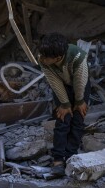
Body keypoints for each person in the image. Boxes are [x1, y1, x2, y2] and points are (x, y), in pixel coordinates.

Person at [38, 33, 91, 177]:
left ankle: (71, 155)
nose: (41, 59)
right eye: (41, 55)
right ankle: (58, 160)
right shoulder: (44, 59)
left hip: (81, 84)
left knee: (78, 119)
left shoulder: (78, 56)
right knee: (63, 119)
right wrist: (65, 104)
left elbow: (79, 83)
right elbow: (55, 82)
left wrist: (79, 102)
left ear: (58, 58)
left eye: (44, 57)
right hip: (62, 86)